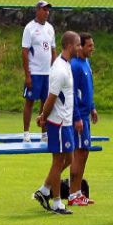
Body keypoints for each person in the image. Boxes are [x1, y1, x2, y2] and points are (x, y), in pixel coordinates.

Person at [33, 31, 81, 215]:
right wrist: (43, 117)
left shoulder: (66, 65)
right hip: (58, 123)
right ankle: (56, 202)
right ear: (69, 46)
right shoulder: (59, 69)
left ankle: (44, 190)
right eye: (77, 45)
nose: (79, 48)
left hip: (65, 121)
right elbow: (51, 98)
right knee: (58, 161)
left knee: (69, 158)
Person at [67, 32, 98, 206]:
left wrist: (92, 107)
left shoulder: (86, 63)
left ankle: (78, 192)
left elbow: (88, 89)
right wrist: (77, 117)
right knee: (78, 154)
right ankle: (72, 194)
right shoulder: (75, 66)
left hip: (86, 114)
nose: (92, 48)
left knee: (84, 152)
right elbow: (73, 93)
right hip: (78, 117)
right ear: (80, 47)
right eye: (89, 46)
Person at [22, 0, 57, 143]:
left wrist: (54, 69)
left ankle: (44, 133)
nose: (46, 13)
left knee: (45, 102)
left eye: (48, 10)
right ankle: (26, 133)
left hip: (47, 73)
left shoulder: (50, 28)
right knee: (30, 101)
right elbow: (24, 52)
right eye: (44, 10)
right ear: (37, 11)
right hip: (34, 72)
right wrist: (27, 75)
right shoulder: (29, 28)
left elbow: (53, 50)